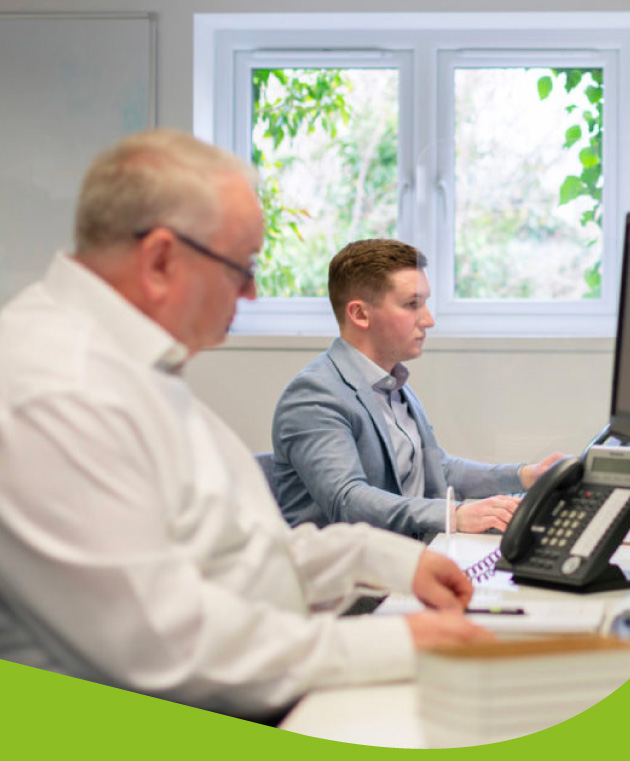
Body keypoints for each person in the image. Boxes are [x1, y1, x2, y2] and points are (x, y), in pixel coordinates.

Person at [0, 129, 494, 724]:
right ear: (160, 259)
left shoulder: (131, 367)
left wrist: (386, 560)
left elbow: (240, 551)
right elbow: (166, 647)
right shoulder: (57, 388)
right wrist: (401, 643)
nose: (252, 292)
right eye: (241, 267)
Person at [272, 239, 565, 537]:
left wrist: (525, 476)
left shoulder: (392, 385)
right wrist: (455, 516)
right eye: (412, 304)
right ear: (360, 314)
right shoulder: (314, 395)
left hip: (405, 558)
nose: (429, 320)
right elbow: (347, 499)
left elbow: (437, 468)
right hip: (351, 576)